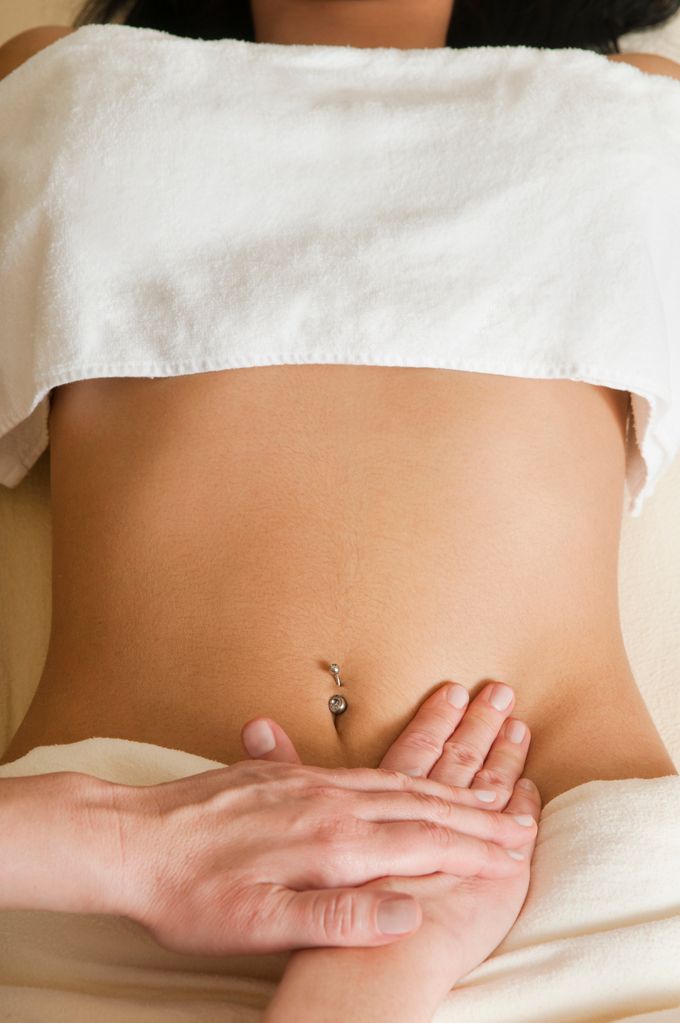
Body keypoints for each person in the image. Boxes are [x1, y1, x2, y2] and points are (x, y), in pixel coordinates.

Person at [0, 1, 679, 1020]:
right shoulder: (56, 72)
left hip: (558, 881)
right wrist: (118, 845)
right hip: (96, 900)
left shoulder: (646, 107)